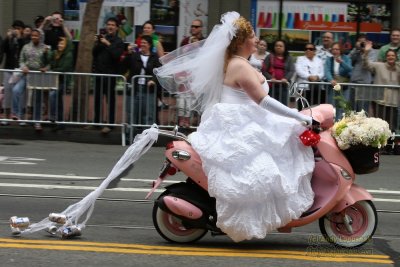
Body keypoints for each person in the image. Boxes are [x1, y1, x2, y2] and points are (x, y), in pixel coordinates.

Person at [155, 12, 314, 242]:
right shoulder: (239, 66)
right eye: (252, 35)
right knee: (264, 171)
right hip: (243, 124)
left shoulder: (239, 62)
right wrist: (299, 117)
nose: (256, 39)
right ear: (240, 42)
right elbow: (263, 100)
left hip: (247, 119)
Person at [91, 17, 124, 134]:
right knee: (97, 99)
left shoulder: (119, 41)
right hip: (99, 73)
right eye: (108, 24)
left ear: (116, 28)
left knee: (110, 100)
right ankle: (97, 122)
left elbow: (116, 55)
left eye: (113, 25)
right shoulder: (102, 39)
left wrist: (107, 43)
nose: (110, 27)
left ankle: (110, 124)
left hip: (111, 75)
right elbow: (94, 53)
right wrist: (98, 42)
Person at [13, 29, 48, 130]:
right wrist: (23, 66)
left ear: (40, 37)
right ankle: (15, 113)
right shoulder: (26, 47)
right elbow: (21, 60)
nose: (34, 37)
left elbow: (50, 62)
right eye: (32, 36)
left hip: (38, 75)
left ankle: (37, 122)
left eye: (36, 36)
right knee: (16, 90)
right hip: (26, 74)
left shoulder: (45, 48)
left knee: (37, 99)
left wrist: (46, 68)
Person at [121, 35, 161, 125]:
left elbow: (158, 71)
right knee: (132, 114)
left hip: (148, 90)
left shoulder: (154, 57)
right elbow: (123, 67)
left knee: (148, 115)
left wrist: (153, 80)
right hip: (134, 89)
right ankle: (130, 137)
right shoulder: (134, 56)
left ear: (149, 45)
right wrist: (128, 53)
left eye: (145, 43)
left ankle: (146, 138)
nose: (142, 44)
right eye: (141, 43)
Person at [177, 19, 205, 128]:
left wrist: (196, 45)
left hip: (196, 78)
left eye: (196, 26)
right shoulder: (185, 41)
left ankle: (190, 125)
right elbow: (179, 57)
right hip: (183, 76)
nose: (193, 28)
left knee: (191, 103)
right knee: (181, 102)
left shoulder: (204, 41)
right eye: (192, 26)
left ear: (201, 28)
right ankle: (180, 124)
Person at [44, 37, 74, 127]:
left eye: (62, 44)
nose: (59, 45)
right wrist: (45, 53)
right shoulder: (55, 53)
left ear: (66, 45)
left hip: (63, 80)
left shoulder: (68, 55)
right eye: (59, 44)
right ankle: (60, 121)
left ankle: (53, 117)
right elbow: (48, 60)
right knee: (58, 100)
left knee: (53, 95)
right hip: (55, 80)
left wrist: (52, 70)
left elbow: (64, 68)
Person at [1, 20, 26, 125]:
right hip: (8, 68)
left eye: (18, 28)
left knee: (21, 94)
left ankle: (21, 117)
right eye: (14, 28)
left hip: (19, 70)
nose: (16, 30)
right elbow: (2, 50)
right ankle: (7, 118)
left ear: (22, 30)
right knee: (7, 93)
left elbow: (24, 50)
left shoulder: (24, 40)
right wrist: (7, 37)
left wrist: (19, 37)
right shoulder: (9, 39)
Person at [348, 34, 378, 112]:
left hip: (365, 84)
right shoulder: (356, 51)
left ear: (367, 42)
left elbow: (368, 65)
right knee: (352, 109)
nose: (361, 43)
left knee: (363, 110)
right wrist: (356, 49)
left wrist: (365, 52)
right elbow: (349, 61)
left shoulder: (372, 52)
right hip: (353, 82)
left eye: (363, 42)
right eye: (359, 41)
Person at [324, 42, 352, 120]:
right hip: (333, 86)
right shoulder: (329, 59)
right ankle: (332, 125)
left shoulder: (346, 58)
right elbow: (327, 71)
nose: (335, 51)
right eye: (333, 49)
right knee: (332, 108)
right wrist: (331, 79)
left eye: (337, 49)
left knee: (343, 107)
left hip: (344, 87)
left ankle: (340, 125)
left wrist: (342, 62)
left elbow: (350, 69)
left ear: (341, 50)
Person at [262, 39, 295, 104]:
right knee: (272, 104)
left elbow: (291, 70)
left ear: (285, 48)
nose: (278, 47)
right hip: (271, 85)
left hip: (284, 85)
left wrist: (286, 78)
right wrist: (270, 78)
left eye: (280, 46)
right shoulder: (269, 56)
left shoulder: (289, 58)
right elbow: (264, 70)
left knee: (283, 104)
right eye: (276, 45)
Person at [295, 43, 324, 108]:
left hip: (315, 88)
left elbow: (322, 73)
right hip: (303, 88)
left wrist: (317, 77)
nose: (308, 50)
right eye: (306, 49)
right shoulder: (300, 59)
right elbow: (298, 70)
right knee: (302, 108)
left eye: (310, 49)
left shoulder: (319, 60)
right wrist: (309, 77)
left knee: (314, 108)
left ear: (314, 51)